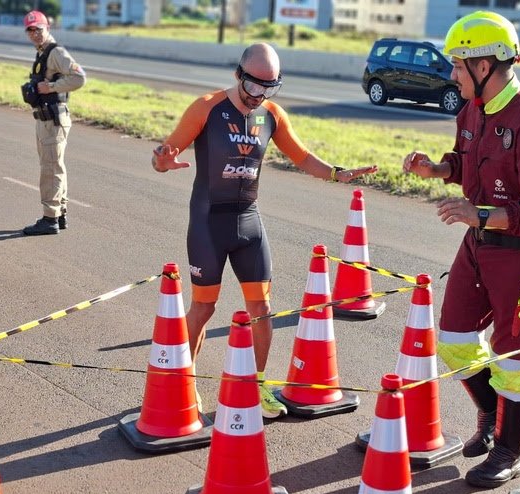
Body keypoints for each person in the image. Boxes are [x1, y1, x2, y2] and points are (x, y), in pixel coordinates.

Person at [152, 42, 378, 419]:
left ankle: (254, 385)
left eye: (270, 88)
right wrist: (161, 161)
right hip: (209, 223)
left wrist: (338, 173)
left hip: (248, 223)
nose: (260, 96)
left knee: (262, 309)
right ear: (238, 75)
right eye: (254, 86)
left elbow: (302, 156)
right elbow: (165, 153)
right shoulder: (206, 107)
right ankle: (182, 378)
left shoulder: (271, 114)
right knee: (204, 309)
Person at [402, 11, 520, 488]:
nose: (452, 73)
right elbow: (469, 164)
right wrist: (437, 170)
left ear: (485, 66)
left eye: (459, 65)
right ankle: (490, 417)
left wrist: (477, 214)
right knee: (456, 341)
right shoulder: (472, 109)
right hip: (478, 245)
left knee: (515, 360)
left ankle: (508, 450)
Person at [21, 10, 86, 235]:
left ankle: (49, 219)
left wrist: (52, 87)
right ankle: (60, 215)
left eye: (38, 29)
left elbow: (79, 78)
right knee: (54, 166)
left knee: (50, 169)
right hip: (46, 119)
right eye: (30, 30)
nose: (34, 34)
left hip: (54, 119)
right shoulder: (42, 53)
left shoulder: (55, 52)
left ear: (47, 28)